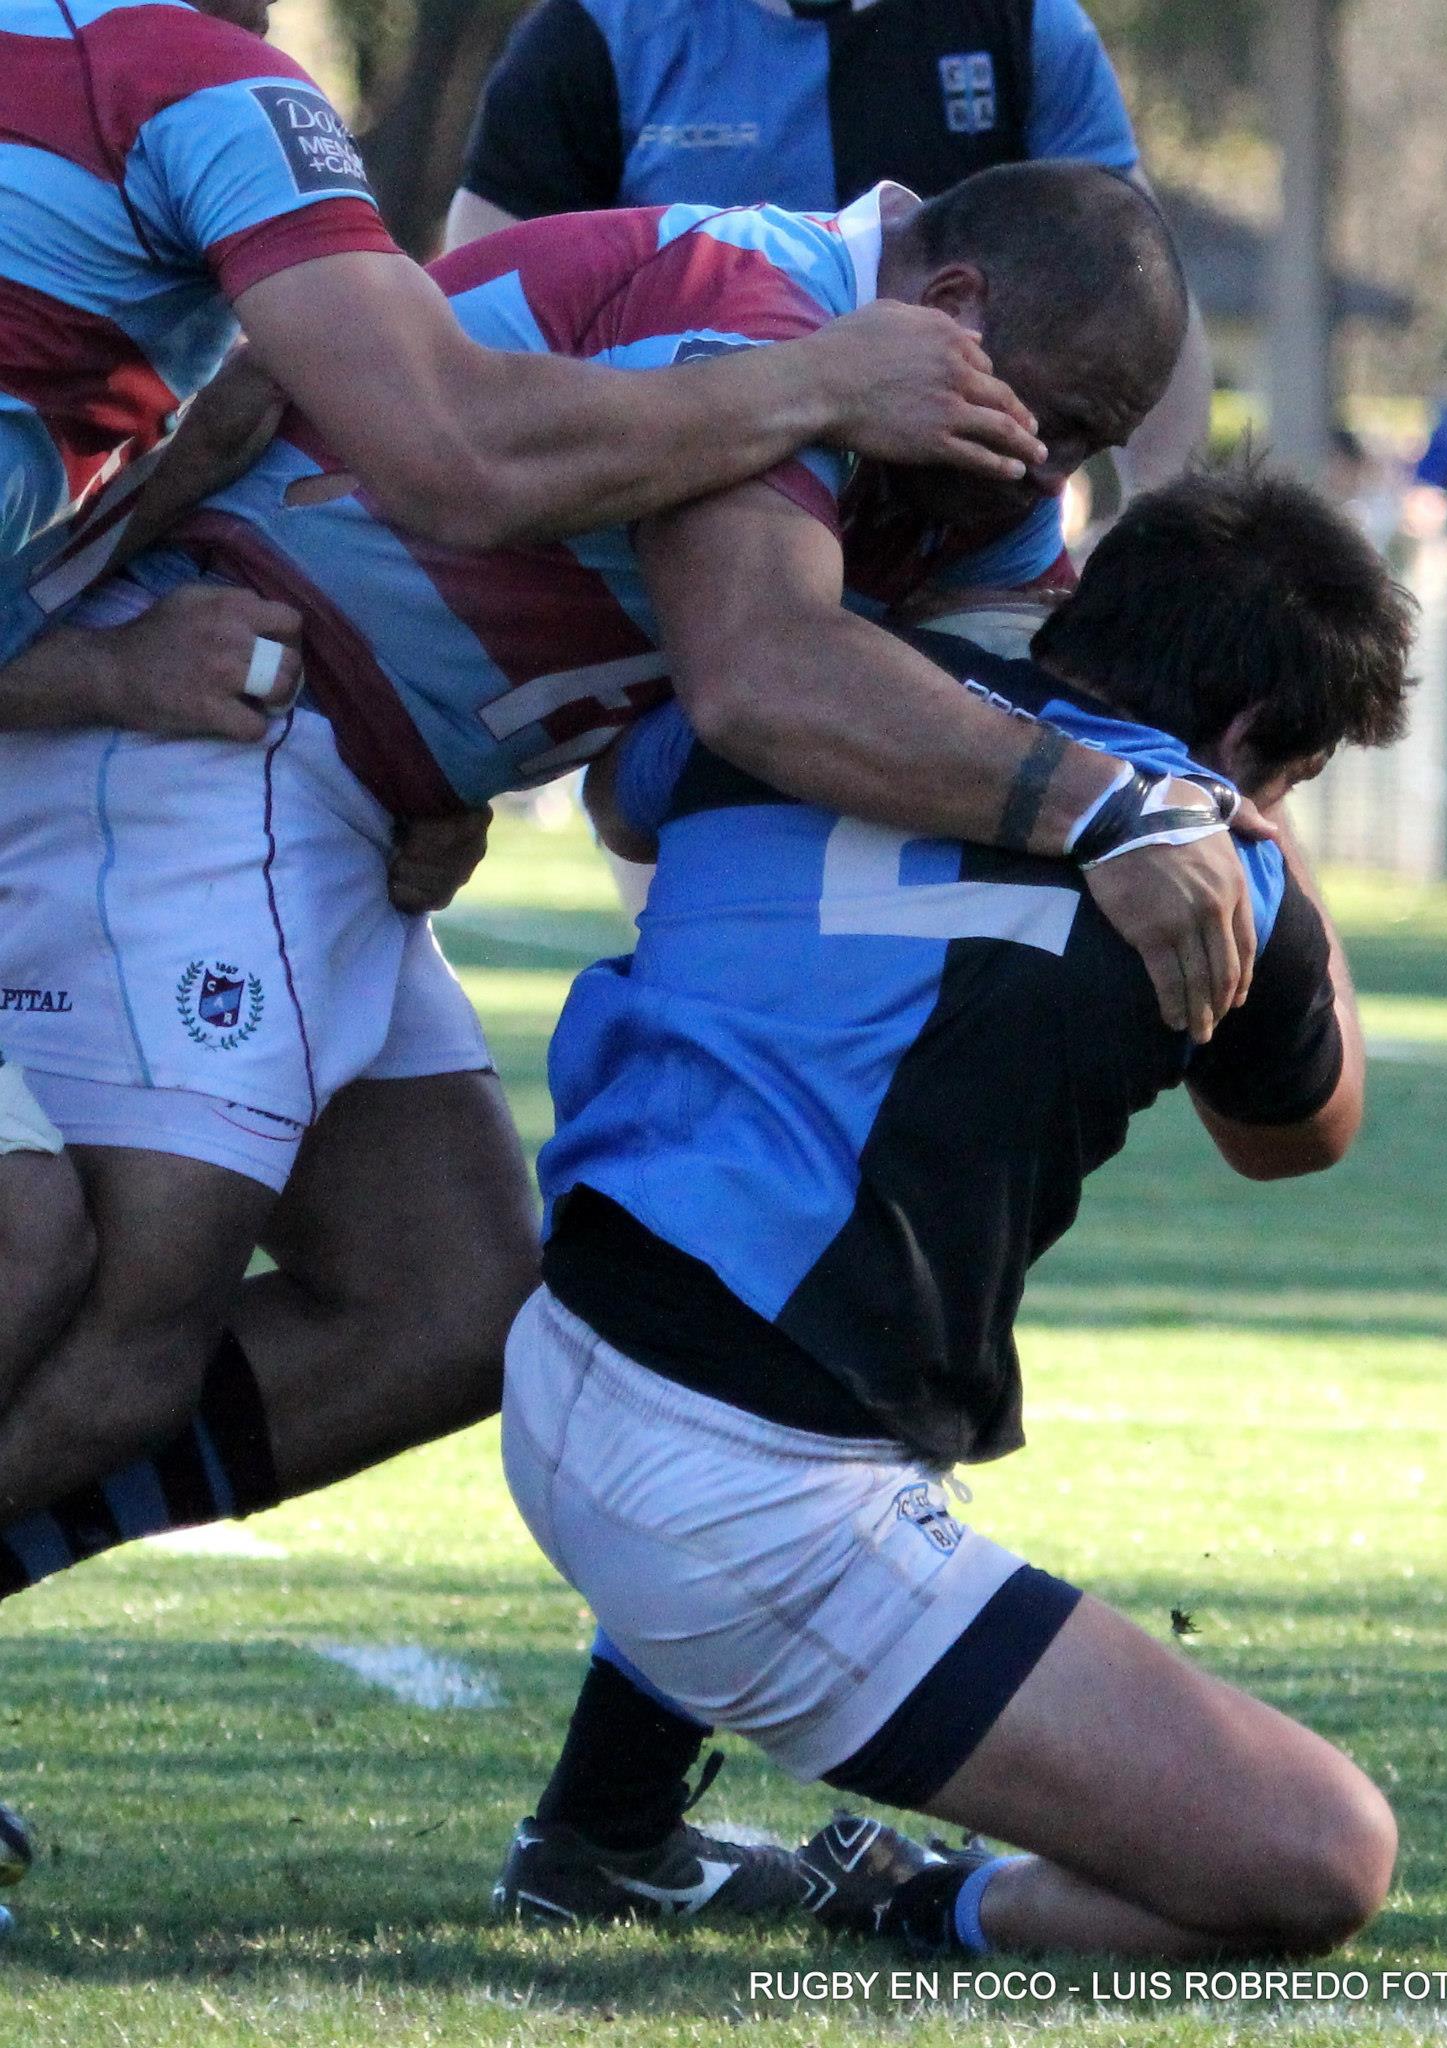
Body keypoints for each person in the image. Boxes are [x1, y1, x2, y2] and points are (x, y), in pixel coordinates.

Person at [0, 175, 1259, 1912]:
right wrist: (1112, 808)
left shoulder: (941, 460)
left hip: (355, 792)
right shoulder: (768, 314)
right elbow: (756, 680)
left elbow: (689, 773)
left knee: (449, 1307)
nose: (1049, 471)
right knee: (126, 1309)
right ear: (948, 301)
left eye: (1095, 443)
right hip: (219, 715)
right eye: (1056, 416)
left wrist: (1200, 808)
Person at [0, 0, 1043, 1462]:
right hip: (220, 753)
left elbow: (279, 426)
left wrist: (427, 731)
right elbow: (455, 458)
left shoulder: (167, 109)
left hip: (299, 768)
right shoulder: (201, 89)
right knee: (65, 1264)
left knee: (446, 1299)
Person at [495, 467, 1414, 1952]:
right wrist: (1266, 835)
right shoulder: (1216, 856)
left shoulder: (814, 689)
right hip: (743, 1503)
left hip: (563, 1357)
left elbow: (632, 793)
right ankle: (910, 1900)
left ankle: (601, 1830)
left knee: (796, 1288)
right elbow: (1299, 1134)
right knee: (1320, 1853)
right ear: (1251, 741)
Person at [446, 0, 1211, 494]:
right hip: (682, 482)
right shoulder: (593, 31)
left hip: (943, 513)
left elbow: (1133, 281)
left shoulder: (1022, 24)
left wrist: (1152, 516)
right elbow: (473, 318)